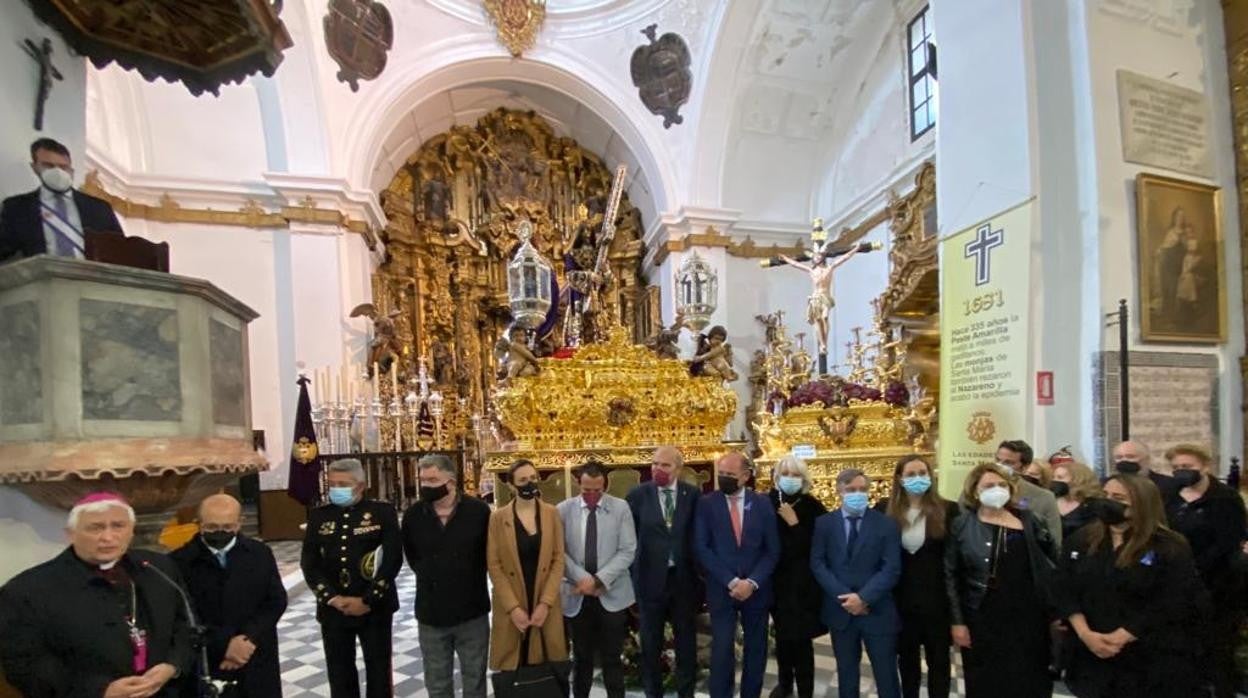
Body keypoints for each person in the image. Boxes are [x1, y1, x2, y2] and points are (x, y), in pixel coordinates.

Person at [0, 492, 190, 697]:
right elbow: (25, 664)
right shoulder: (27, 590)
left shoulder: (158, 568)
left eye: (118, 526)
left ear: (131, 531)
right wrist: (100, 690)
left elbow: (185, 626)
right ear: (70, 534)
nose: (108, 537)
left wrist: (173, 665)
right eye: (95, 528)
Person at [1056, 474, 1206, 698]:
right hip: (1090, 651)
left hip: (1148, 654)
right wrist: (1085, 633)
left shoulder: (1169, 545)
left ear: (1141, 503)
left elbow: (1174, 598)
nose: (1108, 501)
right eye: (1105, 495)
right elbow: (1063, 587)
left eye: (1118, 497)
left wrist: (1124, 635)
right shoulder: (1083, 539)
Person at [945, 463, 1056, 698]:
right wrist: (958, 621)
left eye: (1001, 485)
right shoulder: (962, 525)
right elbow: (951, 575)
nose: (996, 489)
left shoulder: (1028, 519)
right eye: (988, 485)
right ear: (975, 491)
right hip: (984, 612)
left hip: (1029, 613)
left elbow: (1050, 559)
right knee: (988, 680)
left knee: (1030, 676)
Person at [301, 458, 402, 698]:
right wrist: (332, 599)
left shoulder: (382, 512)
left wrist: (367, 601)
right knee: (339, 672)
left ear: (360, 485)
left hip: (374, 607)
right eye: (332, 483)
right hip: (334, 608)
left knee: (379, 672)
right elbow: (309, 563)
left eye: (343, 484)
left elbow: (392, 559)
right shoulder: (319, 516)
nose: (336, 488)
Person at [170, 493, 287, 697]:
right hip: (209, 657)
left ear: (239, 523)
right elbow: (180, 615)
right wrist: (225, 644)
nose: (220, 533)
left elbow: (276, 601)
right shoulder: (179, 562)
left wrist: (248, 638)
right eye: (212, 527)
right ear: (199, 524)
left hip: (255, 654)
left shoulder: (260, 553)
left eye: (227, 527)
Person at [400, 454, 491, 698]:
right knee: (437, 681)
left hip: (472, 611)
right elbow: (413, 556)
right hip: (431, 612)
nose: (426, 486)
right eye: (423, 480)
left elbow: (489, 555)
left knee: (475, 678)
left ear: (451, 481)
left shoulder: (479, 512)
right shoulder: (413, 515)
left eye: (432, 480)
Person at [1164, 443, 1247, 698]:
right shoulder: (1170, 495)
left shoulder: (1224, 497)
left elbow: (1228, 541)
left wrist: (1196, 567)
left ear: (1204, 466)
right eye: (1176, 467)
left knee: (1218, 646)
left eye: (1187, 467)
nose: (1181, 471)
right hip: (1179, 580)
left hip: (1218, 582)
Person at [695, 451, 780, 698]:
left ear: (745, 476)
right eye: (721, 474)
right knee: (722, 649)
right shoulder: (706, 503)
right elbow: (702, 547)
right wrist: (731, 581)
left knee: (756, 649)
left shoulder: (763, 503)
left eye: (730, 475)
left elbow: (772, 550)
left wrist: (752, 582)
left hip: (757, 590)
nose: (724, 479)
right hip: (722, 588)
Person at [811, 468, 902, 698]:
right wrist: (845, 597)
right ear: (839, 491)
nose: (857, 494)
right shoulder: (824, 524)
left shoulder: (886, 524)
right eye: (851, 490)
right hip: (840, 611)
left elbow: (891, 567)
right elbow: (818, 564)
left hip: (877, 609)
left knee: (886, 674)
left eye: (862, 489)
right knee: (846, 673)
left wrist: (863, 598)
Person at [877, 456, 959, 698]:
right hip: (900, 601)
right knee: (907, 661)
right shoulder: (884, 510)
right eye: (910, 474)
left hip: (937, 600)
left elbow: (954, 560)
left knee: (940, 662)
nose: (917, 478)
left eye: (922, 473)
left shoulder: (949, 509)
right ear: (900, 479)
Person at [626, 445, 701, 698]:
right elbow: (629, 540)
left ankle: (686, 692)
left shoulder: (692, 495)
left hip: (683, 582)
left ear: (678, 468)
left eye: (665, 465)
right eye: (655, 463)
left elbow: (696, 536)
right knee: (650, 644)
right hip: (649, 581)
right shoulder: (637, 495)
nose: (658, 469)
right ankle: (652, 693)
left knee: (686, 644)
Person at [558, 461, 638, 698]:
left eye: (597, 490)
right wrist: (582, 578)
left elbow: (627, 550)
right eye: (586, 490)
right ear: (578, 484)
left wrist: (599, 580)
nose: (592, 495)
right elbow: (558, 552)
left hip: (611, 593)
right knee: (581, 658)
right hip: (577, 594)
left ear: (605, 484)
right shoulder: (563, 510)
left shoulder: (620, 508)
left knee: (612, 657)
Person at [486, 460, 568, 671]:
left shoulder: (551, 513)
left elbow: (558, 558)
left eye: (533, 478)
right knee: (514, 662)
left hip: (543, 595)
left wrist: (545, 603)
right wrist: (513, 608)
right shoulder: (497, 518)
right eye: (523, 480)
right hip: (514, 599)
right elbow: (494, 565)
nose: (529, 484)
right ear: (512, 486)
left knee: (548, 665)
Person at [0, 137, 123, 261]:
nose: (57, 171)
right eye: (48, 165)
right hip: (43, 278)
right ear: (34, 167)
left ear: (71, 170)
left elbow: (121, 250)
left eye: (63, 167)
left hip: (92, 277)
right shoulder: (16, 208)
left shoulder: (99, 208)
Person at [767, 456, 828, 698]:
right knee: (782, 641)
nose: (790, 479)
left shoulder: (812, 506)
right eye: (786, 473)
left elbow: (817, 547)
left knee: (802, 643)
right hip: (777, 584)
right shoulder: (768, 502)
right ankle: (784, 687)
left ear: (803, 479)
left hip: (804, 586)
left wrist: (794, 524)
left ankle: (805, 690)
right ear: (777, 476)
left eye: (795, 475)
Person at [996, 439, 1063, 545]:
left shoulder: (1044, 497)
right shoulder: (978, 488)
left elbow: (1055, 542)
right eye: (997, 460)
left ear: (1024, 467)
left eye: (1008, 462)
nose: (999, 466)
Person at [1050, 461, 1101, 540]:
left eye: (1060, 477)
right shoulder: (1051, 500)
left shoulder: (1091, 505)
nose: (1054, 481)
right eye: (1053, 477)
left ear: (1078, 480)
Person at [1112, 439, 1177, 500]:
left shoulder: (1168, 485)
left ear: (1147, 459)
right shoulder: (1107, 484)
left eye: (1130, 457)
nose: (1124, 460)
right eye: (1119, 457)